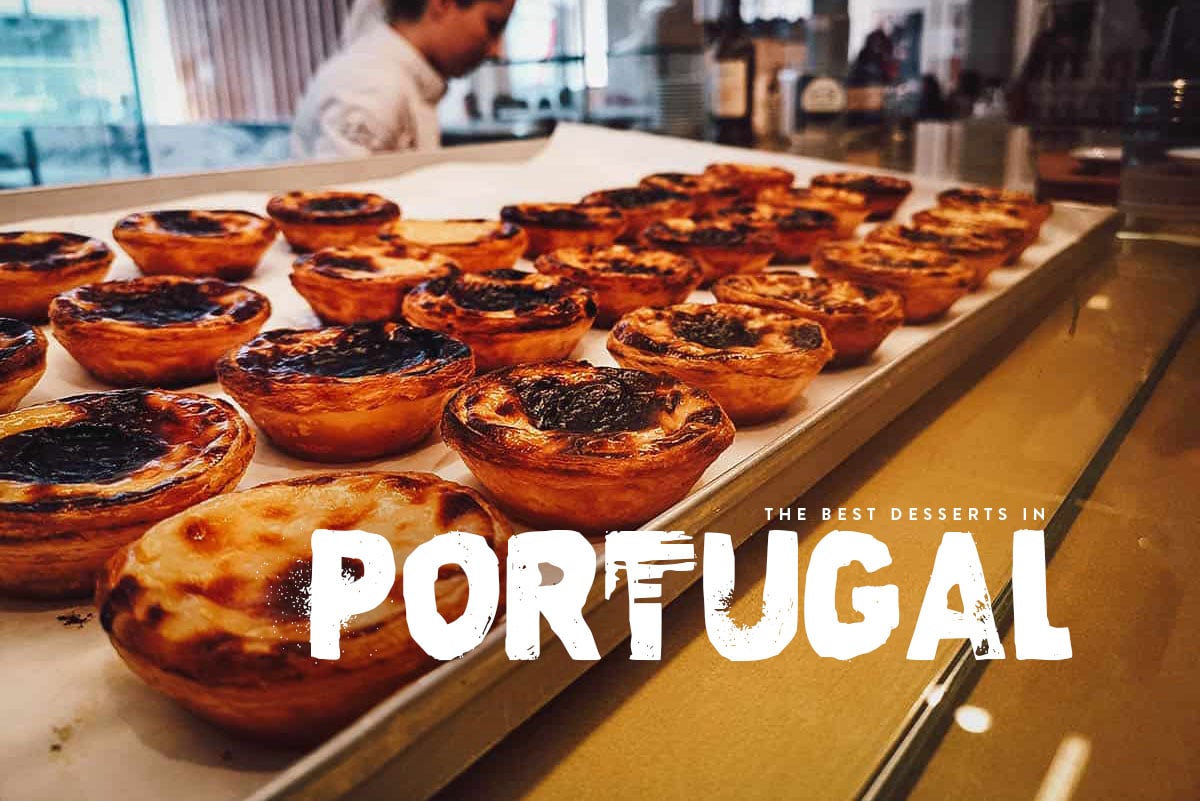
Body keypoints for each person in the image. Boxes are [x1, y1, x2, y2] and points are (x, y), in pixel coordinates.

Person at [291, 0, 515, 159]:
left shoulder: (405, 80)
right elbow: (339, 220)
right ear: (443, 4)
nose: (497, 51)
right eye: (493, 26)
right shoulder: (372, 85)